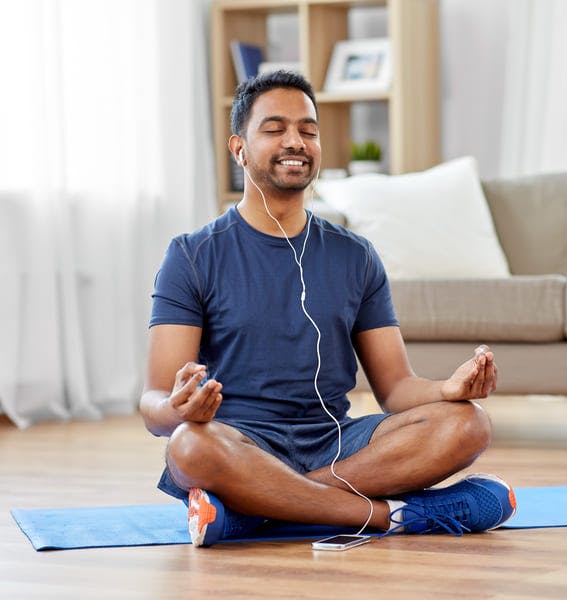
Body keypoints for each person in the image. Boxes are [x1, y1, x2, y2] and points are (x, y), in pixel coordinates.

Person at [140, 70, 516, 547]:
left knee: (468, 423)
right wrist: (175, 407)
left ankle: (256, 510)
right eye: (274, 129)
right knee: (189, 445)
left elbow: (396, 389)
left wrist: (448, 388)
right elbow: (153, 405)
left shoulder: (355, 255)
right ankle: (390, 516)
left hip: (336, 443)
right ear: (239, 148)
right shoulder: (192, 254)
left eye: (309, 130)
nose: (295, 141)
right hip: (239, 444)